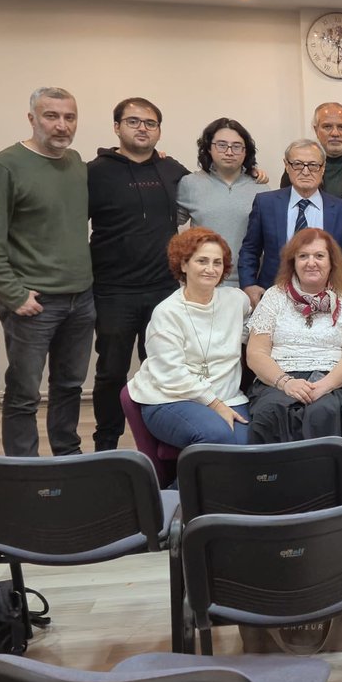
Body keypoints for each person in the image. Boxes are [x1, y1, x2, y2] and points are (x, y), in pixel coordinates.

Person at [0, 86, 94, 457]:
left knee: (70, 386)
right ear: (32, 119)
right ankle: (22, 466)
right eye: (51, 116)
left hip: (82, 299)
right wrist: (14, 295)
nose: (61, 126)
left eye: (69, 117)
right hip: (34, 303)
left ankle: (67, 455)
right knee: (24, 392)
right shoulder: (3, 166)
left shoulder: (76, 163)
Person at [87, 97, 191, 453]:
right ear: (117, 127)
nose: (142, 128)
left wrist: (252, 171)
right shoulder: (95, 172)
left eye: (150, 123)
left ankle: (159, 443)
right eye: (133, 121)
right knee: (111, 372)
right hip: (113, 290)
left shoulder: (172, 170)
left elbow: (208, 187)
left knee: (162, 369)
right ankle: (106, 445)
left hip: (164, 288)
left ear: (159, 130)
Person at [126, 228, 253, 450]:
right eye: (202, 261)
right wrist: (215, 405)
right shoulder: (167, 313)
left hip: (227, 395)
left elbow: (249, 332)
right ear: (183, 265)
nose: (210, 269)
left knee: (250, 445)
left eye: (217, 262)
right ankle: (174, 487)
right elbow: (171, 375)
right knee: (218, 437)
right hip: (171, 398)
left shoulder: (236, 301)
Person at [245, 228, 342, 445]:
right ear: (293, 262)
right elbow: (256, 353)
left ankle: (321, 480)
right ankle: (272, 479)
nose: (311, 262)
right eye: (303, 256)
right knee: (270, 412)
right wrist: (286, 382)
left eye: (319, 256)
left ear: (331, 262)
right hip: (277, 379)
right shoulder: (274, 296)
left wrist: (324, 386)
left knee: (323, 412)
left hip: (330, 379)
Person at [240, 139, 342, 309]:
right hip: (273, 296)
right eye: (298, 164)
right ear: (286, 166)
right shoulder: (266, 204)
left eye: (313, 165)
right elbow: (250, 249)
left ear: (323, 168)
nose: (305, 172)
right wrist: (249, 285)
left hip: (325, 299)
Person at [177, 117, 271, 285]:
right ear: (208, 148)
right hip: (202, 281)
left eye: (236, 147)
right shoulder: (190, 184)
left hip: (248, 283)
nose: (229, 152)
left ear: (245, 151)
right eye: (221, 145)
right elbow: (167, 224)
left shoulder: (261, 188)